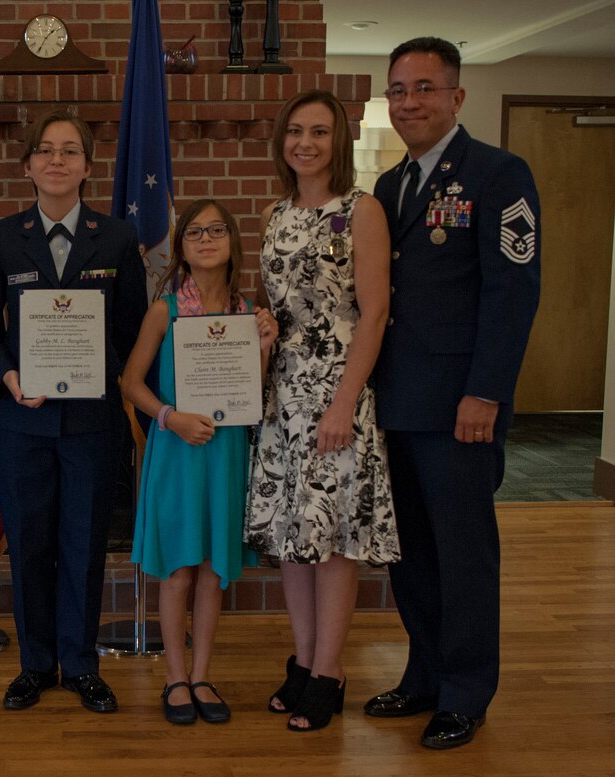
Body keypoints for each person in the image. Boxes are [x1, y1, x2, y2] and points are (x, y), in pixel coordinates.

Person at [364, 38, 541, 749]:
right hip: (397, 404)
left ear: (457, 97)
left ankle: (466, 693)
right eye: (399, 90)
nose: (410, 102)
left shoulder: (499, 175)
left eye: (425, 88)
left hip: (461, 410)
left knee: (464, 554)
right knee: (408, 553)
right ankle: (425, 674)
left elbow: (513, 293)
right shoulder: (389, 186)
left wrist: (487, 394)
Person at [0, 110, 147, 714]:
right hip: (25, 420)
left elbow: (130, 331)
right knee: (31, 543)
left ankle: (82, 665)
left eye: (71, 151)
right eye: (45, 151)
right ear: (28, 166)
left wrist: (99, 368)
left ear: (88, 168)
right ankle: (36, 665)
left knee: (84, 544)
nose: (57, 161)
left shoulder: (118, 238)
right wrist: (9, 377)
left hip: (93, 424)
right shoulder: (1, 236)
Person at [244, 89, 398, 732]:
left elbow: (375, 313)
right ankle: (304, 662)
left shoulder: (361, 211)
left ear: (339, 143)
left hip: (337, 394)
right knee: (293, 540)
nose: (305, 142)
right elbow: (281, 307)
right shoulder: (278, 214)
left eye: (320, 132)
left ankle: (331, 671)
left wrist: (342, 403)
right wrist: (263, 329)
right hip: (284, 396)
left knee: (332, 542)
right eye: (295, 131)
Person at [123, 199, 277, 725]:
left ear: (233, 242)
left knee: (214, 572)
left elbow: (253, 396)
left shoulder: (246, 312)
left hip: (227, 455)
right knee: (179, 571)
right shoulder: (166, 308)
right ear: (182, 248)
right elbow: (130, 383)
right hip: (178, 451)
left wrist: (263, 348)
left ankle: (203, 674)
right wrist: (170, 417)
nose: (206, 239)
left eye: (216, 230)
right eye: (194, 232)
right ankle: (174, 677)